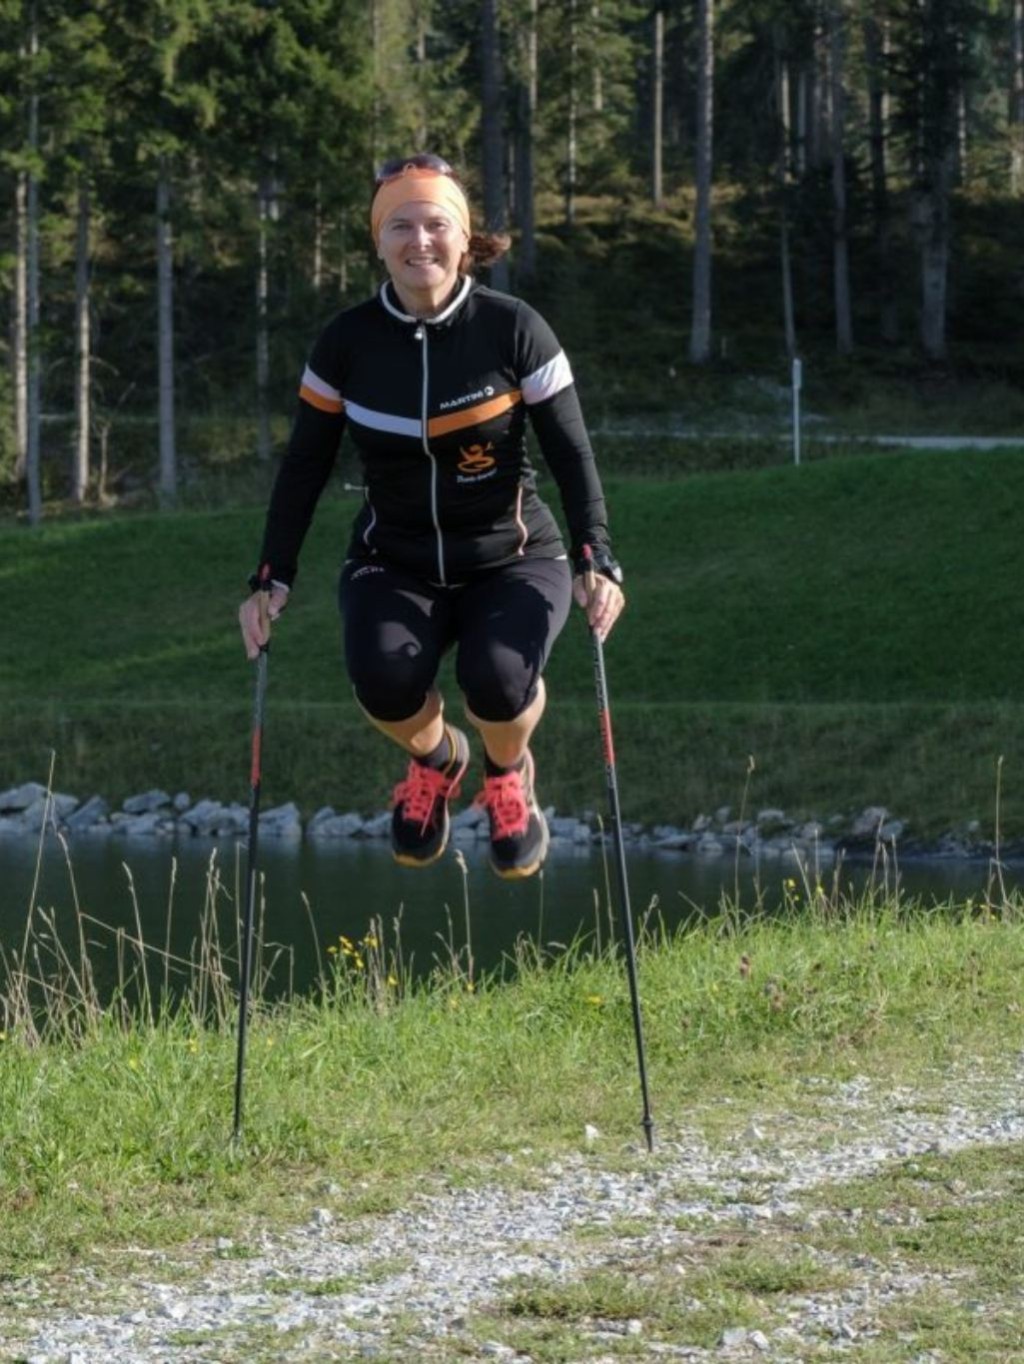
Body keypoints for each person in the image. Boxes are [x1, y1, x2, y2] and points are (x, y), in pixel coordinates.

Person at [239, 153, 624, 879]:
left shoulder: (514, 329)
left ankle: (508, 775)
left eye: (437, 224)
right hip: (396, 556)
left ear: (465, 235)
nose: (421, 241)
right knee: (381, 677)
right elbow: (303, 468)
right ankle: (439, 761)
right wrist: (270, 577)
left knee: (499, 677)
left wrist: (594, 555)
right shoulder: (345, 343)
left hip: (511, 556)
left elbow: (572, 452)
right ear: (378, 242)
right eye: (401, 226)